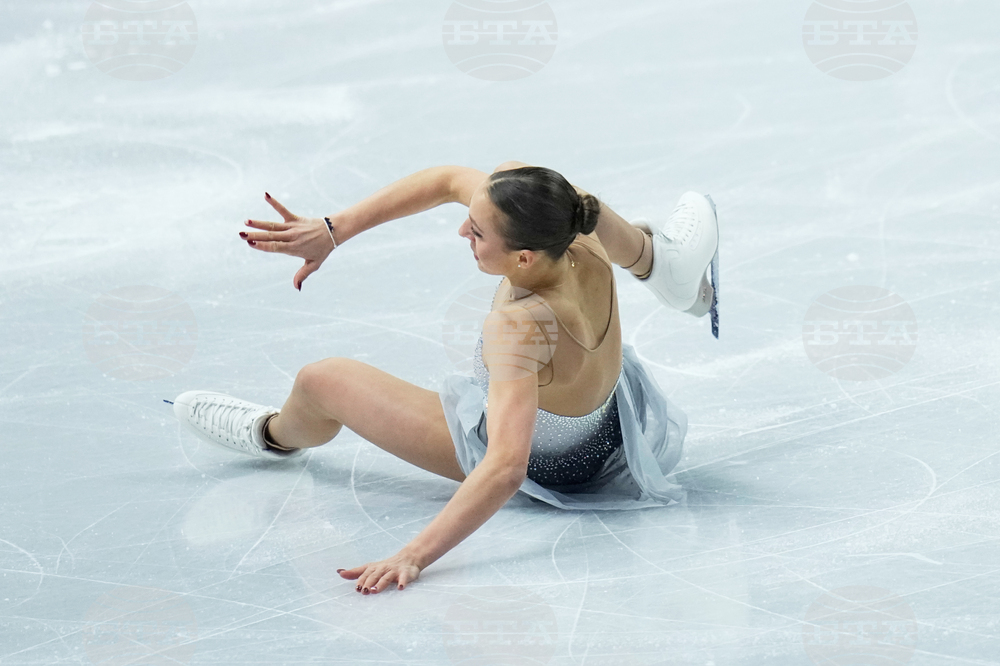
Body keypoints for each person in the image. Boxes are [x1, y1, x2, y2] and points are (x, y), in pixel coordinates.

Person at [168, 161, 720, 595]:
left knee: (320, 381)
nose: (462, 230)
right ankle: (660, 264)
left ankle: (273, 433)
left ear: (524, 258)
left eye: (477, 233)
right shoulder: (580, 229)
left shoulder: (521, 327)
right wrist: (333, 230)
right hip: (622, 426)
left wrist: (413, 554)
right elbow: (450, 180)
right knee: (517, 174)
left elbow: (505, 466)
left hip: (557, 465)